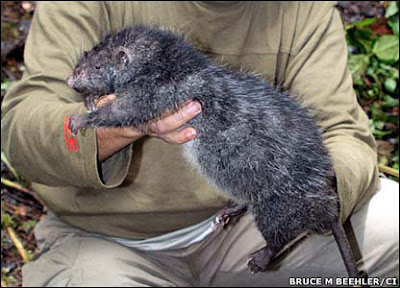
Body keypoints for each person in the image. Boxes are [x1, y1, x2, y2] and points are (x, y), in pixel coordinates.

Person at [1, 2, 398, 287]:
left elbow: (344, 134)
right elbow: (22, 129)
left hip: (244, 224)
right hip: (108, 242)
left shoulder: (301, 11)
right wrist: (126, 123)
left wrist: (305, 193)